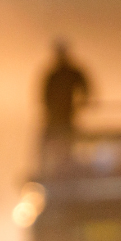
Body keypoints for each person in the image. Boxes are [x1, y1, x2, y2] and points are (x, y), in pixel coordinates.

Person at [40, 40, 91, 171]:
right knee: (52, 141)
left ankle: (68, 164)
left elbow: (85, 86)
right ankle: (57, 166)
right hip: (56, 117)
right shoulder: (53, 75)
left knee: (67, 140)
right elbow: (44, 97)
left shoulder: (68, 73)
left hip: (67, 115)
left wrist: (84, 102)